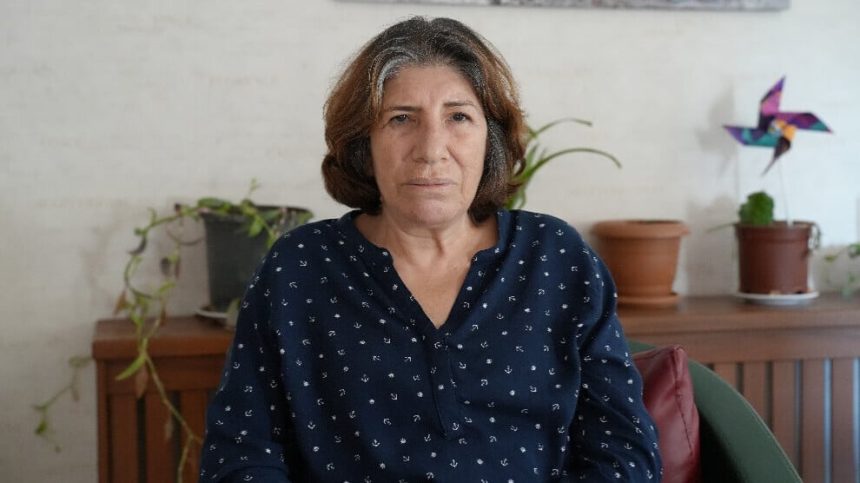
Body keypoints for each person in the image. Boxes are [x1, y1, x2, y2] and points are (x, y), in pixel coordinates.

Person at [199, 16, 661, 482]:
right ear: (363, 142)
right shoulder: (299, 267)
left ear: (490, 140)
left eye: (458, 117)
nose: (431, 149)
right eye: (401, 119)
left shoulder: (556, 258)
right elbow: (239, 455)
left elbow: (624, 454)